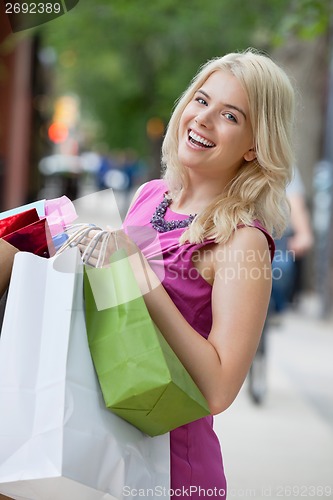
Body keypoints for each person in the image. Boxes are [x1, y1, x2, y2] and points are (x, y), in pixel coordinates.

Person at [2, 48, 295, 499]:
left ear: (256, 144)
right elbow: (120, 314)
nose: (204, 119)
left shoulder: (243, 241)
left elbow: (218, 390)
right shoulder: (151, 195)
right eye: (201, 100)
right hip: (103, 444)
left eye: (230, 116)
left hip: (171, 469)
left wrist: (142, 278)